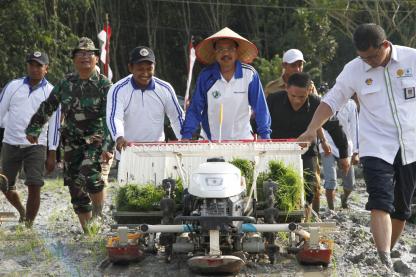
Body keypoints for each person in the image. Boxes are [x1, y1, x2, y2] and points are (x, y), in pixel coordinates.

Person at [298, 23, 416, 268]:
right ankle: (383, 259)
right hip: (376, 145)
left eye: (373, 56)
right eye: (364, 58)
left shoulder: (411, 59)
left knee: (402, 209)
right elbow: (331, 101)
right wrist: (311, 130)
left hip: (411, 145)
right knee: (380, 201)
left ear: (385, 45)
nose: (369, 62)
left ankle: (385, 253)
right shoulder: (354, 70)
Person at [25, 37, 113, 232]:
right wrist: (34, 127)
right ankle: (89, 232)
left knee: (90, 176)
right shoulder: (66, 83)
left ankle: (99, 214)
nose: (85, 57)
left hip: (95, 140)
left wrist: (108, 146)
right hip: (71, 141)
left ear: (96, 59)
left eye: (89, 53)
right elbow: (49, 105)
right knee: (76, 189)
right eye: (80, 54)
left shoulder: (105, 85)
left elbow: (110, 118)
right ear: (74, 59)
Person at [267, 72, 349, 221]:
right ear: (286, 88)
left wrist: (344, 155)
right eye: (293, 96)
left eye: (302, 97)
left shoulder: (317, 104)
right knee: (275, 188)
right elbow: (257, 123)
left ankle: (304, 222)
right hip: (278, 151)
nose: (297, 101)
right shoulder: (273, 100)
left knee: (308, 188)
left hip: (306, 153)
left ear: (309, 91)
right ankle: (276, 222)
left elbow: (335, 128)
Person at [0, 51, 60, 227]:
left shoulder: (52, 92)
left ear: (46, 69)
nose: (34, 69)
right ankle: (21, 211)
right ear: (27, 66)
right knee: (5, 184)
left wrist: (52, 154)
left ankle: (28, 225)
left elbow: (55, 126)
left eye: (39, 65)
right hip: (10, 142)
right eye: (31, 65)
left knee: (34, 184)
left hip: (36, 145)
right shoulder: (13, 86)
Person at [181, 27, 271, 140]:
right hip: (211, 141)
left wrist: (265, 135)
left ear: (237, 51)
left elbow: (260, 107)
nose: (226, 53)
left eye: (230, 49)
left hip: (243, 140)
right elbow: (195, 109)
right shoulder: (206, 76)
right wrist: (187, 134)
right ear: (215, 53)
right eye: (220, 50)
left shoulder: (250, 74)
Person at [107, 46, 184, 151]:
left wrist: (184, 139)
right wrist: (119, 137)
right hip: (128, 151)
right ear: (130, 68)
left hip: (157, 152)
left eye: (149, 69)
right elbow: (114, 117)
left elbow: (177, 117)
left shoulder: (165, 88)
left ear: (154, 67)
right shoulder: (118, 89)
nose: (145, 73)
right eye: (140, 69)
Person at [319, 98, 359, 210]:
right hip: (327, 144)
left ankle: (344, 198)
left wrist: (356, 152)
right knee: (330, 180)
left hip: (346, 146)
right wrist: (322, 141)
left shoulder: (351, 105)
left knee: (350, 184)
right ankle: (331, 210)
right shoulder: (325, 101)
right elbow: (319, 123)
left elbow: (355, 127)